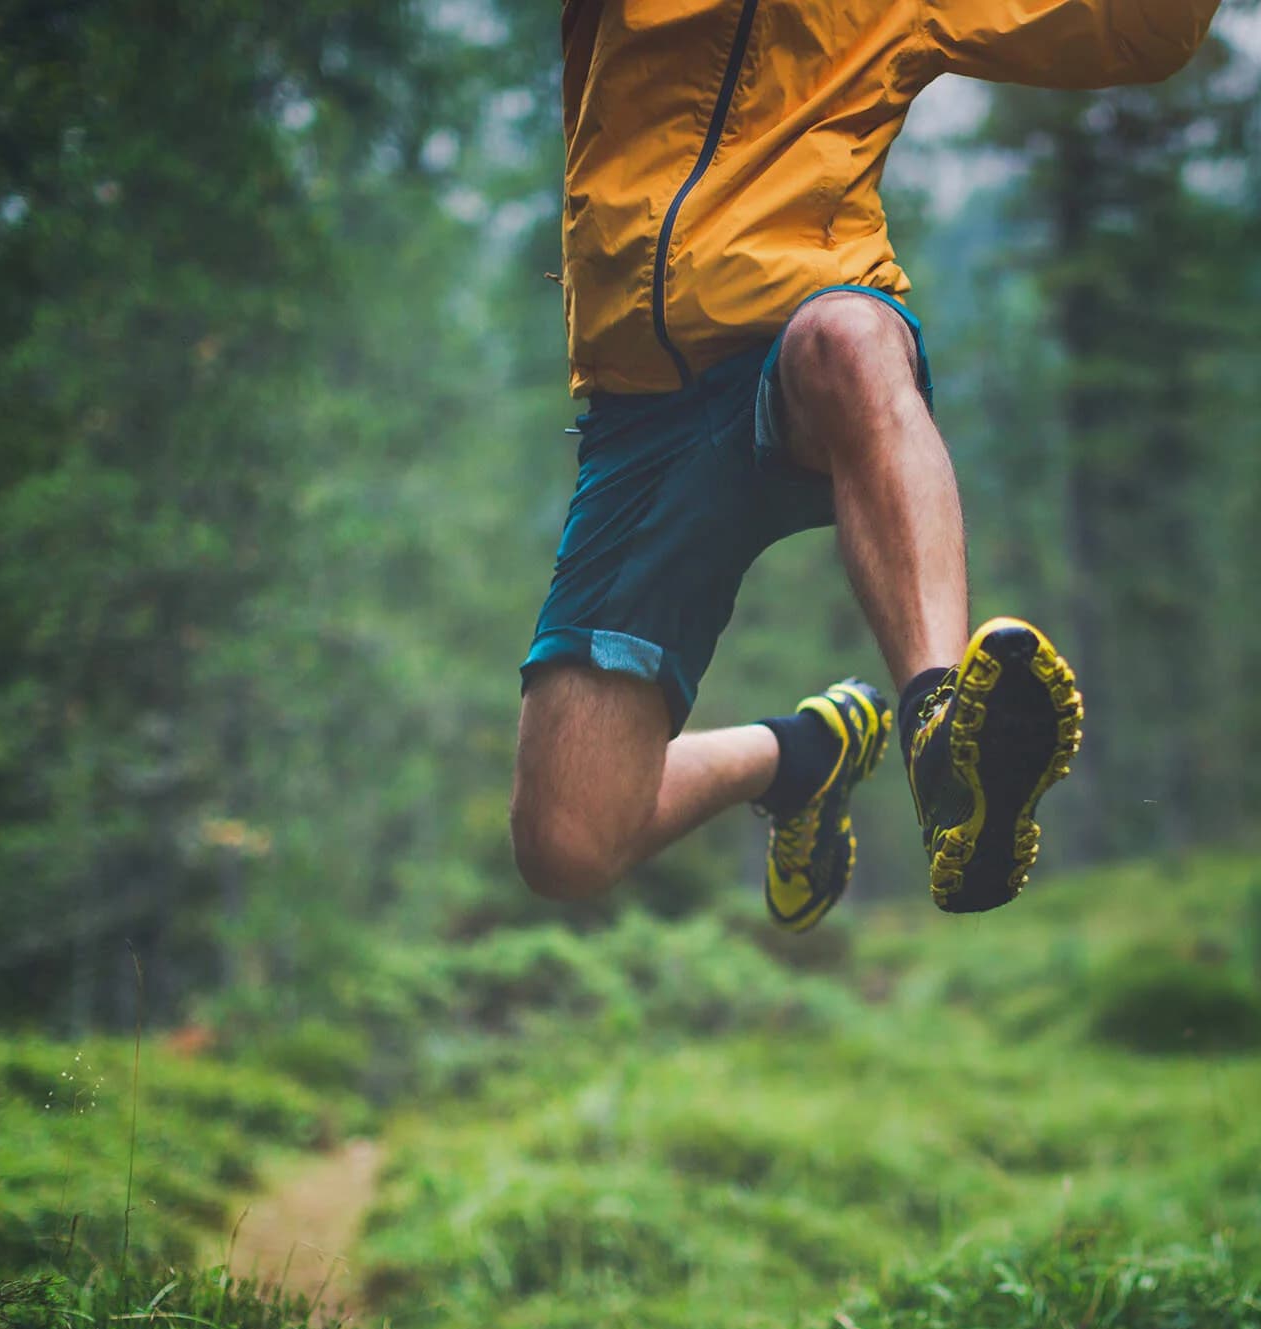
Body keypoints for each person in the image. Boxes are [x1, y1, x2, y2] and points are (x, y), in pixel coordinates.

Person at [511, 0, 1219, 928]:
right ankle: (801, 754)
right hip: (638, 415)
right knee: (565, 842)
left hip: (801, 344)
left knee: (850, 335)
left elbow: (1138, 29)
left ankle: (940, 724)